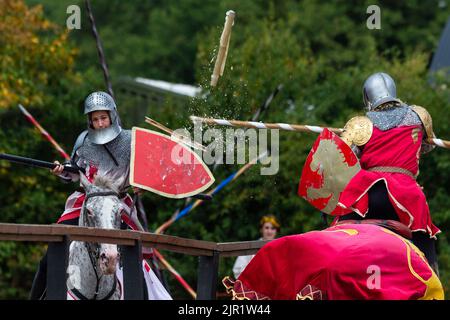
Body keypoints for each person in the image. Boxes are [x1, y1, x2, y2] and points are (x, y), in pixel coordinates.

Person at [29, 91, 169, 300]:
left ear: (112, 115)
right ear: (90, 121)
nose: (100, 123)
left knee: (139, 252)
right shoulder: (84, 141)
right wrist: (62, 171)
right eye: (95, 119)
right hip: (86, 202)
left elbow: (147, 172)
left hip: (117, 204)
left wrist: (144, 185)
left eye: (103, 117)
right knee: (54, 248)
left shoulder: (130, 140)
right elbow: (74, 173)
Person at [335, 72, 440, 272]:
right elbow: (427, 146)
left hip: (367, 195)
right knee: (424, 241)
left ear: (368, 97)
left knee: (338, 234)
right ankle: (430, 278)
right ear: (393, 91)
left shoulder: (359, 124)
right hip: (406, 196)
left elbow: (342, 158)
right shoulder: (418, 115)